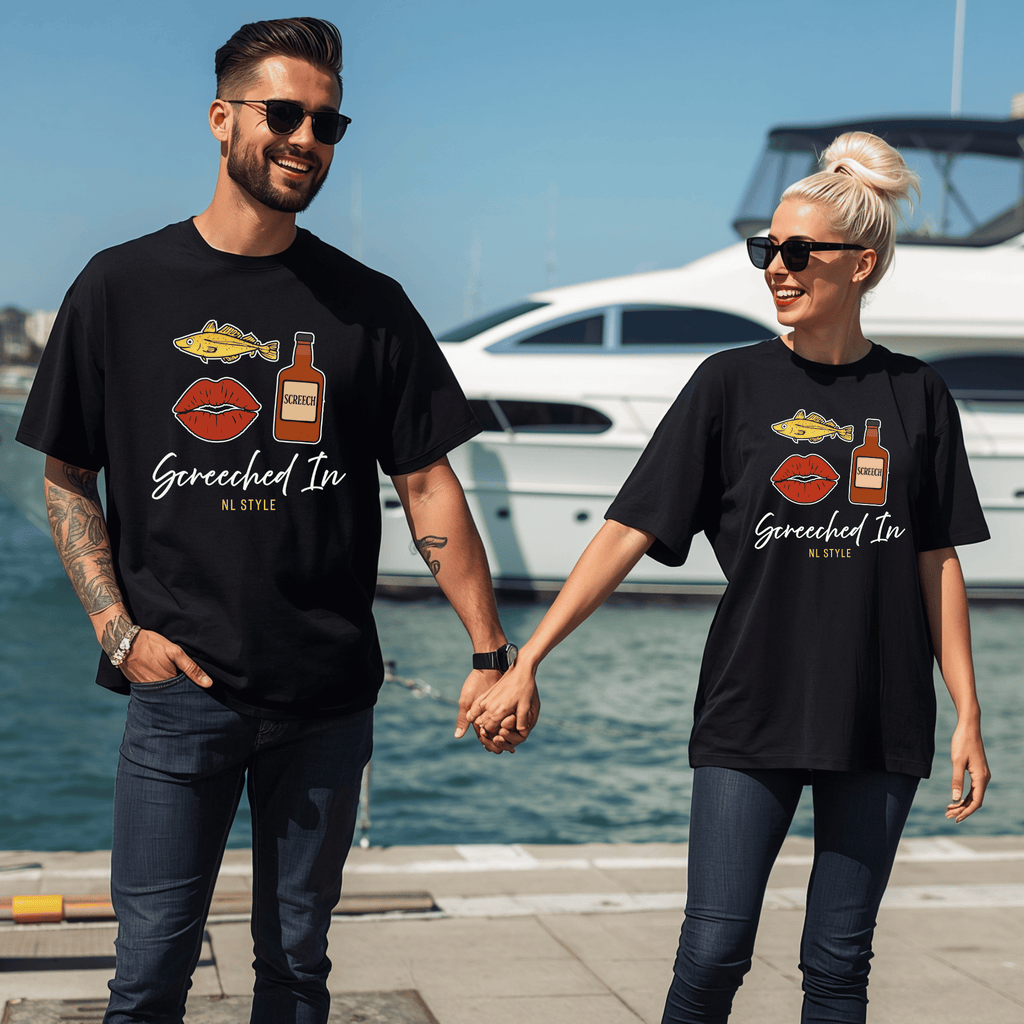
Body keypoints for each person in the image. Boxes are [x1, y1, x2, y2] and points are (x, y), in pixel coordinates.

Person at [17, 17, 531, 1024]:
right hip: (179, 693)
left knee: (298, 967)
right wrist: (119, 633)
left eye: (328, 124)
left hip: (327, 697)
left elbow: (427, 485)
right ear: (220, 119)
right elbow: (68, 475)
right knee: (149, 972)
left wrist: (488, 649)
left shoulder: (367, 307)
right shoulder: (120, 286)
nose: (306, 140)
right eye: (283, 114)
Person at [468, 131, 992, 1023]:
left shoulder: (917, 396)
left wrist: (971, 713)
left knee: (838, 966)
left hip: (881, 713)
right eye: (766, 251)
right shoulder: (730, 385)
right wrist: (528, 658)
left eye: (797, 251)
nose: (776, 268)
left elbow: (934, 559)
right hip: (751, 706)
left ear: (861, 264)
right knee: (712, 954)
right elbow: (627, 531)